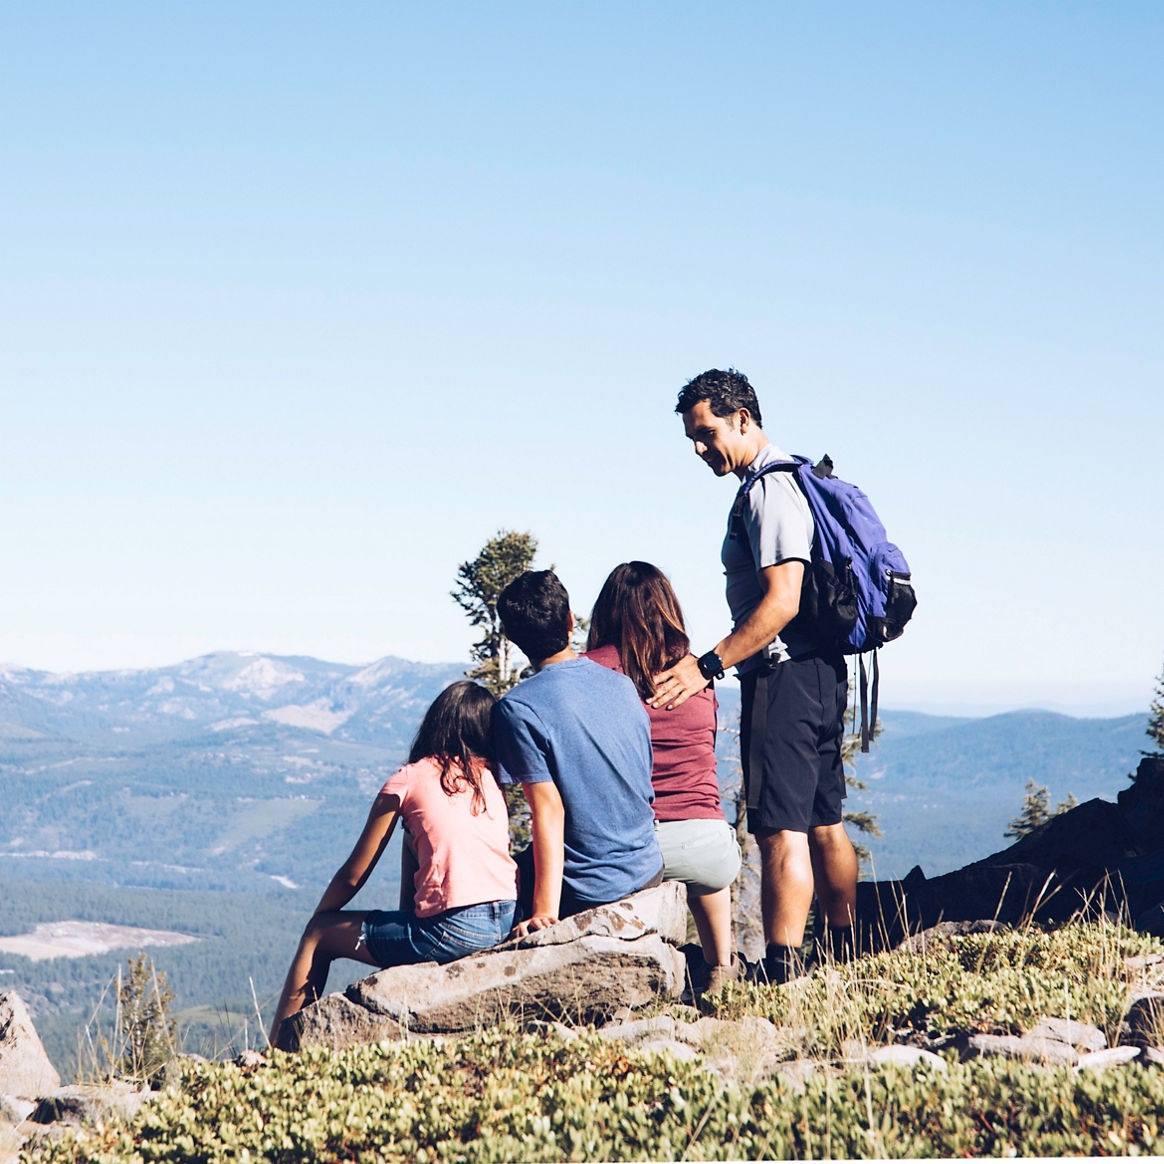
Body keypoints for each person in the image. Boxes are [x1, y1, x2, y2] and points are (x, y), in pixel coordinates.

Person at [650, 368, 858, 984]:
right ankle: (846, 955)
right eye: (692, 438)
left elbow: (782, 601)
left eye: (706, 433)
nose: (699, 449)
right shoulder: (787, 481)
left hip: (784, 676)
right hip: (819, 671)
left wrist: (708, 665)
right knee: (825, 820)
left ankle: (782, 972)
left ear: (742, 420)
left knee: (779, 828)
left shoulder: (768, 490)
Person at [269, 681, 518, 1047]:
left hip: (452, 929)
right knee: (411, 837)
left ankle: (276, 1054)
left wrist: (319, 918)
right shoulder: (492, 779)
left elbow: (354, 874)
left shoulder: (411, 777)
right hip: (505, 919)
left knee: (318, 935)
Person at [584, 561, 742, 994]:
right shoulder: (696, 676)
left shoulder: (588, 673)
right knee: (706, 858)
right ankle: (720, 969)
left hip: (625, 849)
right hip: (705, 846)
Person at [492, 569, 662, 936]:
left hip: (589, 888)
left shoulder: (518, 708)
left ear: (513, 638)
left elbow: (548, 811)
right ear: (570, 621)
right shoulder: (621, 685)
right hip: (648, 868)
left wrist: (544, 913)